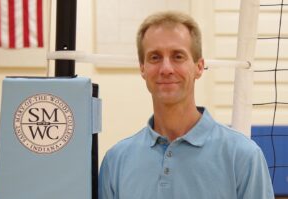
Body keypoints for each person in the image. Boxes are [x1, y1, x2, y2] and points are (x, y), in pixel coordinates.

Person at [99, 11, 274, 199]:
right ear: (143, 68)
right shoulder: (116, 161)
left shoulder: (243, 156)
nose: (166, 69)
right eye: (155, 57)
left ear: (199, 67)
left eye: (178, 56)